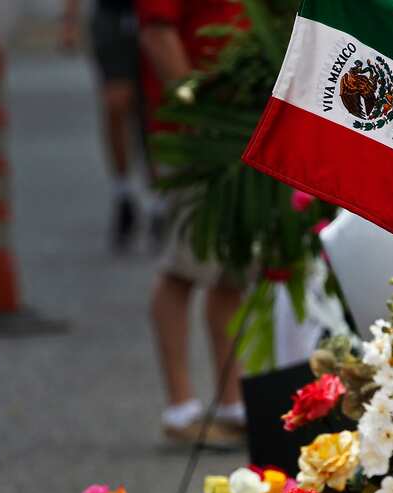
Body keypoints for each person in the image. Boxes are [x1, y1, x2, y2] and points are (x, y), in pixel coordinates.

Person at [137, 0, 246, 446]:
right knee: (184, 266)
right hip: (196, 136)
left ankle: (232, 403)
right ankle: (181, 408)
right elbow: (157, 31)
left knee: (231, 271)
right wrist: (197, 114)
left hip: (236, 127)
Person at [62, 0, 148, 248]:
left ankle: (158, 200)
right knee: (117, 103)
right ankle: (123, 193)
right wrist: (69, 20)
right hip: (113, 15)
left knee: (152, 110)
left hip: (157, 14)